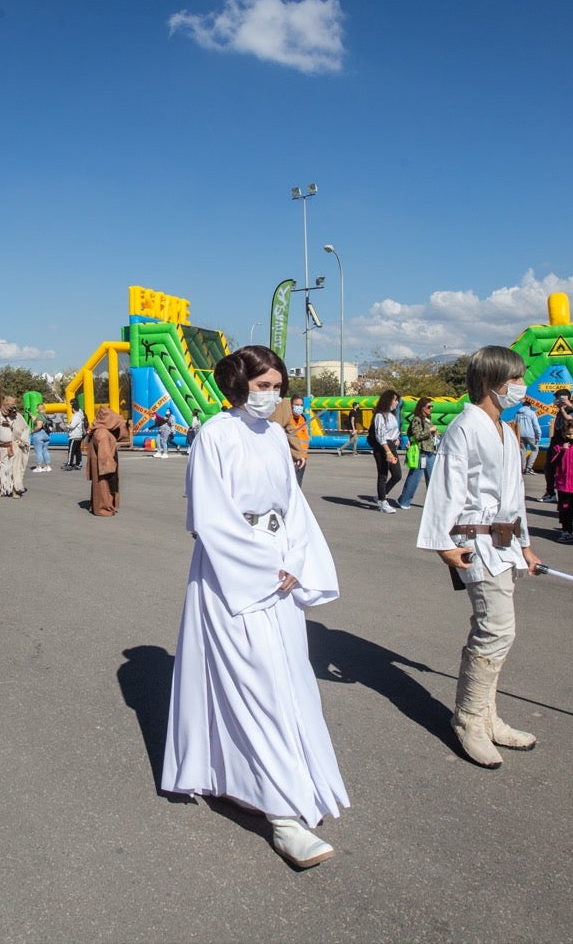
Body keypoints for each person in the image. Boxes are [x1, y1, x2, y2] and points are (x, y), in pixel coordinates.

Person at [162, 345, 347, 868]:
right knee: (253, 682)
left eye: (278, 386)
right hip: (233, 578)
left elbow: (293, 507)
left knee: (285, 679)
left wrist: (293, 557)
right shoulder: (215, 436)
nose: (274, 395)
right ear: (239, 386)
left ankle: (243, 780)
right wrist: (265, 564)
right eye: (264, 386)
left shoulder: (274, 436)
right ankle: (285, 817)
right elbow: (210, 517)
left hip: (280, 575)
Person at [417, 345, 542, 770]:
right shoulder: (465, 427)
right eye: (516, 379)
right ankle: (469, 719)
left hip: (505, 543)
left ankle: (488, 717)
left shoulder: (506, 429)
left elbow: (515, 495)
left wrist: (524, 543)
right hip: (476, 542)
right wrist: (443, 543)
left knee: (497, 631)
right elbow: (446, 486)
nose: (521, 386)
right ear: (492, 382)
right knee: (495, 630)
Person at [86, 404, 131, 516]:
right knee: (103, 488)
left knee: (100, 488)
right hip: (103, 467)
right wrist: (110, 467)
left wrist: (125, 426)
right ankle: (104, 508)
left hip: (99, 465)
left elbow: (121, 435)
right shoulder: (103, 433)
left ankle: (99, 506)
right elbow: (105, 456)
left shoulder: (99, 430)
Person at [397, 398, 439, 509]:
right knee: (414, 478)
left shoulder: (428, 419)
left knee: (432, 478)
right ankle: (404, 500)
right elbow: (417, 435)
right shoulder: (417, 420)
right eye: (429, 407)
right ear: (422, 407)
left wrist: (435, 433)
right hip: (421, 452)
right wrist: (430, 430)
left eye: (432, 407)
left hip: (430, 451)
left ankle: (433, 503)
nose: (431, 409)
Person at [369, 390, 403, 512]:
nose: (397, 402)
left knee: (397, 475)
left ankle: (381, 494)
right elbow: (380, 435)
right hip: (382, 447)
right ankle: (382, 502)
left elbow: (393, 432)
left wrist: (397, 439)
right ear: (388, 400)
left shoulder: (392, 415)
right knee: (383, 474)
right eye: (395, 400)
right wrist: (387, 451)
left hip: (391, 446)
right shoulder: (379, 415)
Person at [0, 401, 29, 497]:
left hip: (14, 448)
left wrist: (22, 440)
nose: (12, 410)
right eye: (10, 408)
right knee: (1, 469)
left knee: (14, 469)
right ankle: (0, 488)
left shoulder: (18, 417)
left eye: (14, 407)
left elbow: (26, 429)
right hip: (1, 448)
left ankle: (16, 489)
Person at [270, 396, 311, 487]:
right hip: (292, 459)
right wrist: (294, 454)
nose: (299, 407)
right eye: (297, 405)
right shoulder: (287, 418)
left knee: (297, 488)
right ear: (291, 406)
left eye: (301, 405)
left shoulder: (303, 419)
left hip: (302, 459)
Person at [515, 399, 541, 474]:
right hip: (530, 434)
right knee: (535, 449)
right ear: (530, 406)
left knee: (522, 451)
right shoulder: (531, 413)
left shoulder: (517, 413)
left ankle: (522, 469)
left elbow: (515, 423)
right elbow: (535, 425)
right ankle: (529, 468)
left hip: (520, 434)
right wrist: (538, 435)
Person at [64, 400, 86, 470]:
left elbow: (72, 426)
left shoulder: (76, 416)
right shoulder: (80, 415)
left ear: (73, 409)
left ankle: (69, 464)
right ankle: (78, 463)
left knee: (71, 450)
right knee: (77, 450)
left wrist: (67, 426)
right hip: (79, 435)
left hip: (74, 436)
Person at [30, 407, 53, 472]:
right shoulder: (46, 416)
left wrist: (33, 431)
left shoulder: (40, 416)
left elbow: (39, 426)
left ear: (38, 409)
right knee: (45, 451)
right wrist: (32, 416)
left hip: (39, 435)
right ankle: (48, 466)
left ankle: (39, 467)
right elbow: (38, 421)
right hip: (46, 435)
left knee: (39, 452)